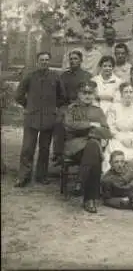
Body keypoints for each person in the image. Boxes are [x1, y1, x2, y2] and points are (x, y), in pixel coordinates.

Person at [14, 52, 66, 187]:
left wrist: (53, 107)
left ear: (49, 61)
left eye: (47, 60)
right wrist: (28, 105)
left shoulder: (55, 77)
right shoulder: (30, 76)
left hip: (49, 118)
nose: (44, 62)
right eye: (42, 60)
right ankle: (23, 176)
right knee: (27, 148)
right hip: (32, 117)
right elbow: (18, 95)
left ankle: (41, 176)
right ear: (37, 62)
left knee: (44, 148)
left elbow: (62, 96)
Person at [63, 81, 112, 213]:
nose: (87, 95)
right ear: (79, 94)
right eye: (84, 93)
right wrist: (91, 125)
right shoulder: (72, 109)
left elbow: (107, 132)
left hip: (91, 146)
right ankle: (90, 199)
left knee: (92, 149)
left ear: (94, 94)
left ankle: (81, 183)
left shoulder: (98, 111)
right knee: (94, 150)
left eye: (90, 93)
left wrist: (87, 130)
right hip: (75, 147)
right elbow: (69, 125)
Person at [53, 50, 93, 166]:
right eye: (71, 59)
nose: (72, 61)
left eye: (75, 58)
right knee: (59, 121)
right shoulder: (64, 76)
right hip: (66, 105)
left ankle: (77, 153)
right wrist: (62, 104)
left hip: (82, 105)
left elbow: (88, 93)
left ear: (81, 61)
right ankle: (58, 153)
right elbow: (59, 93)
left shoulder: (87, 76)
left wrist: (78, 103)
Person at [102, 82, 133, 174]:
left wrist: (131, 138)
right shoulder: (114, 107)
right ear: (121, 94)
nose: (129, 94)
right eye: (126, 92)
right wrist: (122, 139)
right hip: (117, 138)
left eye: (131, 92)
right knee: (115, 155)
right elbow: (111, 127)